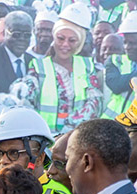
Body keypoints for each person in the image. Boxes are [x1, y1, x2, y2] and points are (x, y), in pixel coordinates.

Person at [25, 3, 103, 134]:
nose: (65, 44)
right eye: (60, 38)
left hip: (76, 138)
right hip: (43, 139)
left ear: (79, 43)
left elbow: (94, 103)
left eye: (72, 40)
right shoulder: (38, 66)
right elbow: (27, 103)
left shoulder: (87, 66)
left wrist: (69, 131)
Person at [103, 10, 137, 118]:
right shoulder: (115, 60)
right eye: (125, 42)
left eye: (132, 43)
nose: (127, 47)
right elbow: (115, 85)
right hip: (111, 123)